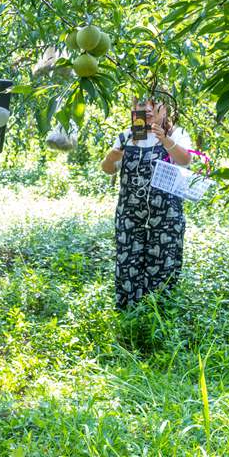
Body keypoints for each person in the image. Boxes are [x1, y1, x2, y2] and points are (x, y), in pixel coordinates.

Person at [100, 95, 192, 309]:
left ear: (164, 109)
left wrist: (165, 139)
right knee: (128, 260)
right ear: (134, 109)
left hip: (166, 215)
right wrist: (111, 158)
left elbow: (185, 161)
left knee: (163, 263)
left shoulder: (176, 134)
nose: (148, 110)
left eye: (154, 105)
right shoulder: (126, 136)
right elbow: (108, 169)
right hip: (130, 214)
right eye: (142, 105)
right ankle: (129, 313)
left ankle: (158, 315)